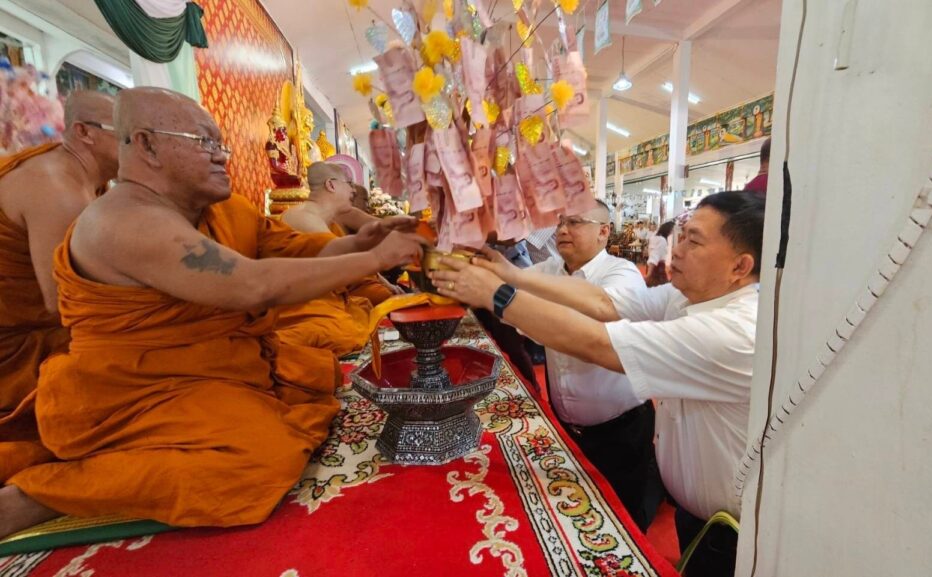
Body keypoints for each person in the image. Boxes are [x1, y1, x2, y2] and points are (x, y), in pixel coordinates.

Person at [0, 87, 426, 540]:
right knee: (258, 462)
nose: (222, 155)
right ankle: (41, 496)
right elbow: (250, 285)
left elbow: (299, 251)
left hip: (213, 364)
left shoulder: (223, 209)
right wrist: (375, 259)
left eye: (220, 143)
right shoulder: (123, 221)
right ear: (146, 144)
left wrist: (360, 242)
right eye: (204, 142)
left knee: (314, 377)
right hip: (137, 390)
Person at [430, 191, 765, 577]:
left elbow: (598, 343)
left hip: (732, 529)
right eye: (682, 235)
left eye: (694, 241)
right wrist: (513, 276)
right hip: (699, 513)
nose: (677, 249)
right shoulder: (684, 296)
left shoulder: (736, 329)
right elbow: (605, 303)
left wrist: (496, 294)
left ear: (740, 266)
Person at [0, 91, 118, 481]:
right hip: (19, 351)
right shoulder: (56, 186)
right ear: (84, 132)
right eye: (125, 132)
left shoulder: (87, 180)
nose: (138, 145)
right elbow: (66, 304)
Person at [530, 201, 658, 529]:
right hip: (568, 425)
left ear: (603, 232)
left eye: (574, 222)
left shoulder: (621, 273)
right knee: (577, 513)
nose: (562, 230)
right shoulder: (549, 270)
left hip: (621, 428)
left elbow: (596, 319)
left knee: (625, 517)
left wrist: (525, 306)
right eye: (560, 222)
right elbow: (505, 285)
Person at [276, 163, 406, 356]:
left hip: (327, 296)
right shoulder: (304, 218)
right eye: (349, 184)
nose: (353, 190)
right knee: (341, 332)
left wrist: (385, 281)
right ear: (331, 185)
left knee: (360, 313)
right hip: (297, 305)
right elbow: (342, 261)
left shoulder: (329, 217)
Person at [645, 220, 675, 287]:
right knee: (659, 287)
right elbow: (655, 256)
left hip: (655, 267)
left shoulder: (654, 237)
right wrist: (649, 274)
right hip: (658, 268)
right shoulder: (662, 240)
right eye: (672, 230)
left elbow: (653, 254)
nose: (672, 232)